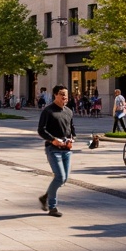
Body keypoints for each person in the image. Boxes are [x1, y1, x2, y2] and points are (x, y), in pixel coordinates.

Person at [38, 85, 75, 217]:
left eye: (66, 94)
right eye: (61, 94)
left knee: (63, 179)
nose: (64, 96)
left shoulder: (69, 111)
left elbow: (71, 129)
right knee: (59, 177)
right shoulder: (48, 111)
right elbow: (41, 130)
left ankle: (45, 197)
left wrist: (71, 139)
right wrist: (52, 140)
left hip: (66, 149)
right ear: (55, 95)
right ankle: (52, 207)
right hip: (53, 149)